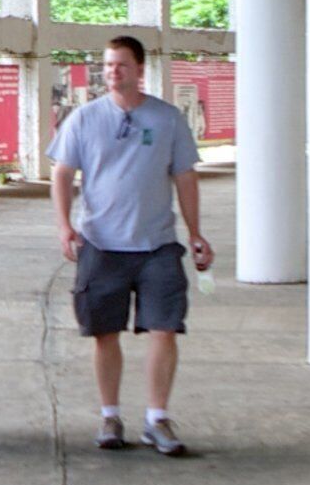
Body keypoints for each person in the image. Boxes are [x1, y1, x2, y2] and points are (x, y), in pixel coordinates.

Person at [48, 34, 214, 455]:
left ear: (140, 70)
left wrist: (195, 232)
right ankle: (110, 415)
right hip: (101, 245)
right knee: (105, 332)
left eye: (121, 65)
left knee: (165, 328)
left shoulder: (167, 119)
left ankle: (157, 419)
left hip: (157, 244)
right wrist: (65, 225)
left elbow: (185, 178)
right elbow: (63, 174)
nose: (113, 72)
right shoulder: (84, 119)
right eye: (107, 65)